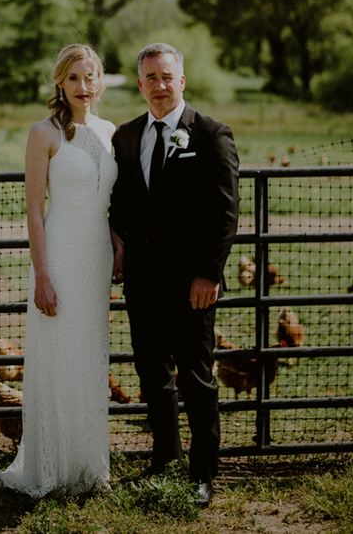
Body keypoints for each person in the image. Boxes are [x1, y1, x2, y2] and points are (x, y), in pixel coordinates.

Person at [0, 44, 120, 496]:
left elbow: (113, 202)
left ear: (101, 80)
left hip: (97, 256)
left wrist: (119, 246)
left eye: (92, 76)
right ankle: (53, 469)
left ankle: (88, 466)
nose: (85, 86)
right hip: (59, 254)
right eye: (75, 78)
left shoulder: (110, 130)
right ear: (60, 82)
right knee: (59, 356)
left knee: (90, 358)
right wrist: (42, 274)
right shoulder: (44, 133)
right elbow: (35, 212)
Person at [108, 43, 239, 507]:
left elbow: (225, 213)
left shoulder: (209, 134)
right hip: (142, 282)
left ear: (182, 81)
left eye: (167, 77)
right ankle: (165, 461)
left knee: (197, 378)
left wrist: (209, 273)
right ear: (140, 84)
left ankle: (203, 475)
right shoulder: (126, 136)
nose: (159, 86)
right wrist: (117, 247)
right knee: (152, 374)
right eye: (150, 78)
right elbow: (121, 203)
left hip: (192, 286)